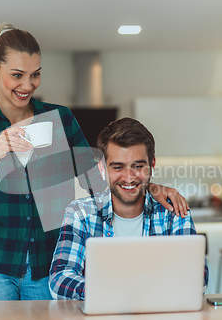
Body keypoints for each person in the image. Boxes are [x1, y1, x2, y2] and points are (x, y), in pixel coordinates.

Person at [0, 23, 190, 301]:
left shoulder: (60, 119)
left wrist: (153, 189)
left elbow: (96, 180)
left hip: (45, 262)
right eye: (17, 75)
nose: (27, 85)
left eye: (35, 75)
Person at [49, 118, 208, 300]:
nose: (129, 177)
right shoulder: (80, 213)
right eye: (118, 167)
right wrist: (111, 293)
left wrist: (127, 292)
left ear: (152, 165)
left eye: (138, 166)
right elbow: (59, 279)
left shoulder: (173, 212)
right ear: (102, 167)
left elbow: (197, 278)